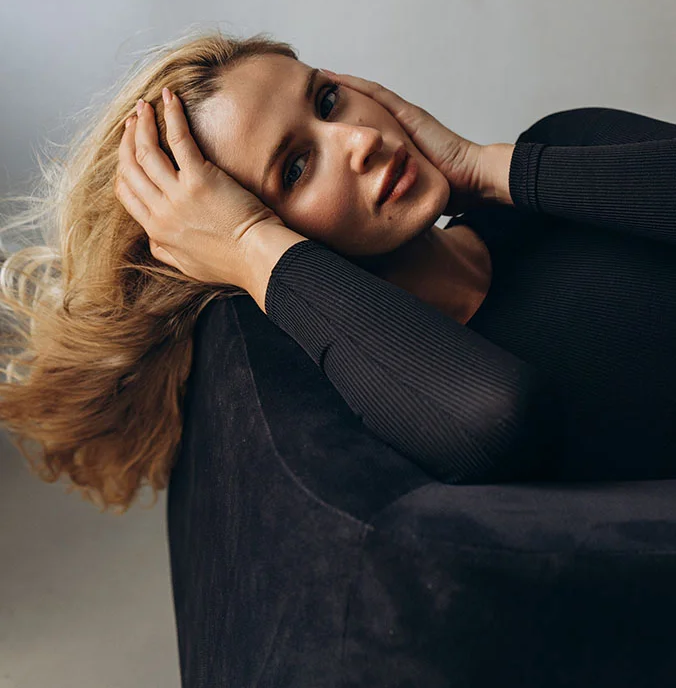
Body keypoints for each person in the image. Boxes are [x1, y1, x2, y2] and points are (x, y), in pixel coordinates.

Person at [1, 30, 675, 516]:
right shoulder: (396, 386)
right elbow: (497, 418)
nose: (359, 140)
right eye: (294, 168)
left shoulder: (558, 154)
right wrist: (249, 244)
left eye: (327, 101)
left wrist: (483, 167)